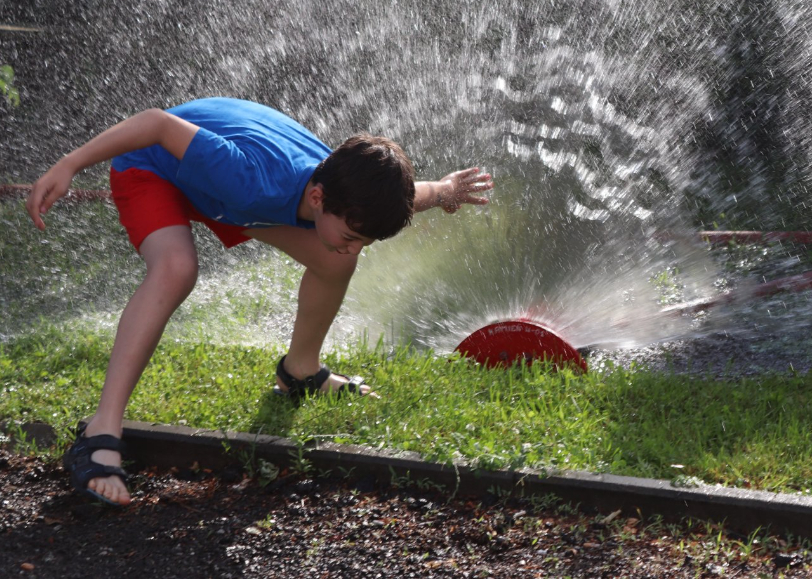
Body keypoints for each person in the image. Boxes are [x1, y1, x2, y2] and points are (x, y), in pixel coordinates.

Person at [25, 97, 493, 506]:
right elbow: (155, 123)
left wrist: (449, 190)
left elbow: (411, 196)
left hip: (222, 191)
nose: (356, 245)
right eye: (352, 235)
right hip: (151, 164)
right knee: (176, 269)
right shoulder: (251, 178)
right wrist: (69, 164)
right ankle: (101, 432)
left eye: (365, 240)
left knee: (335, 261)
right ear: (317, 196)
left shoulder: (347, 191)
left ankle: (300, 372)